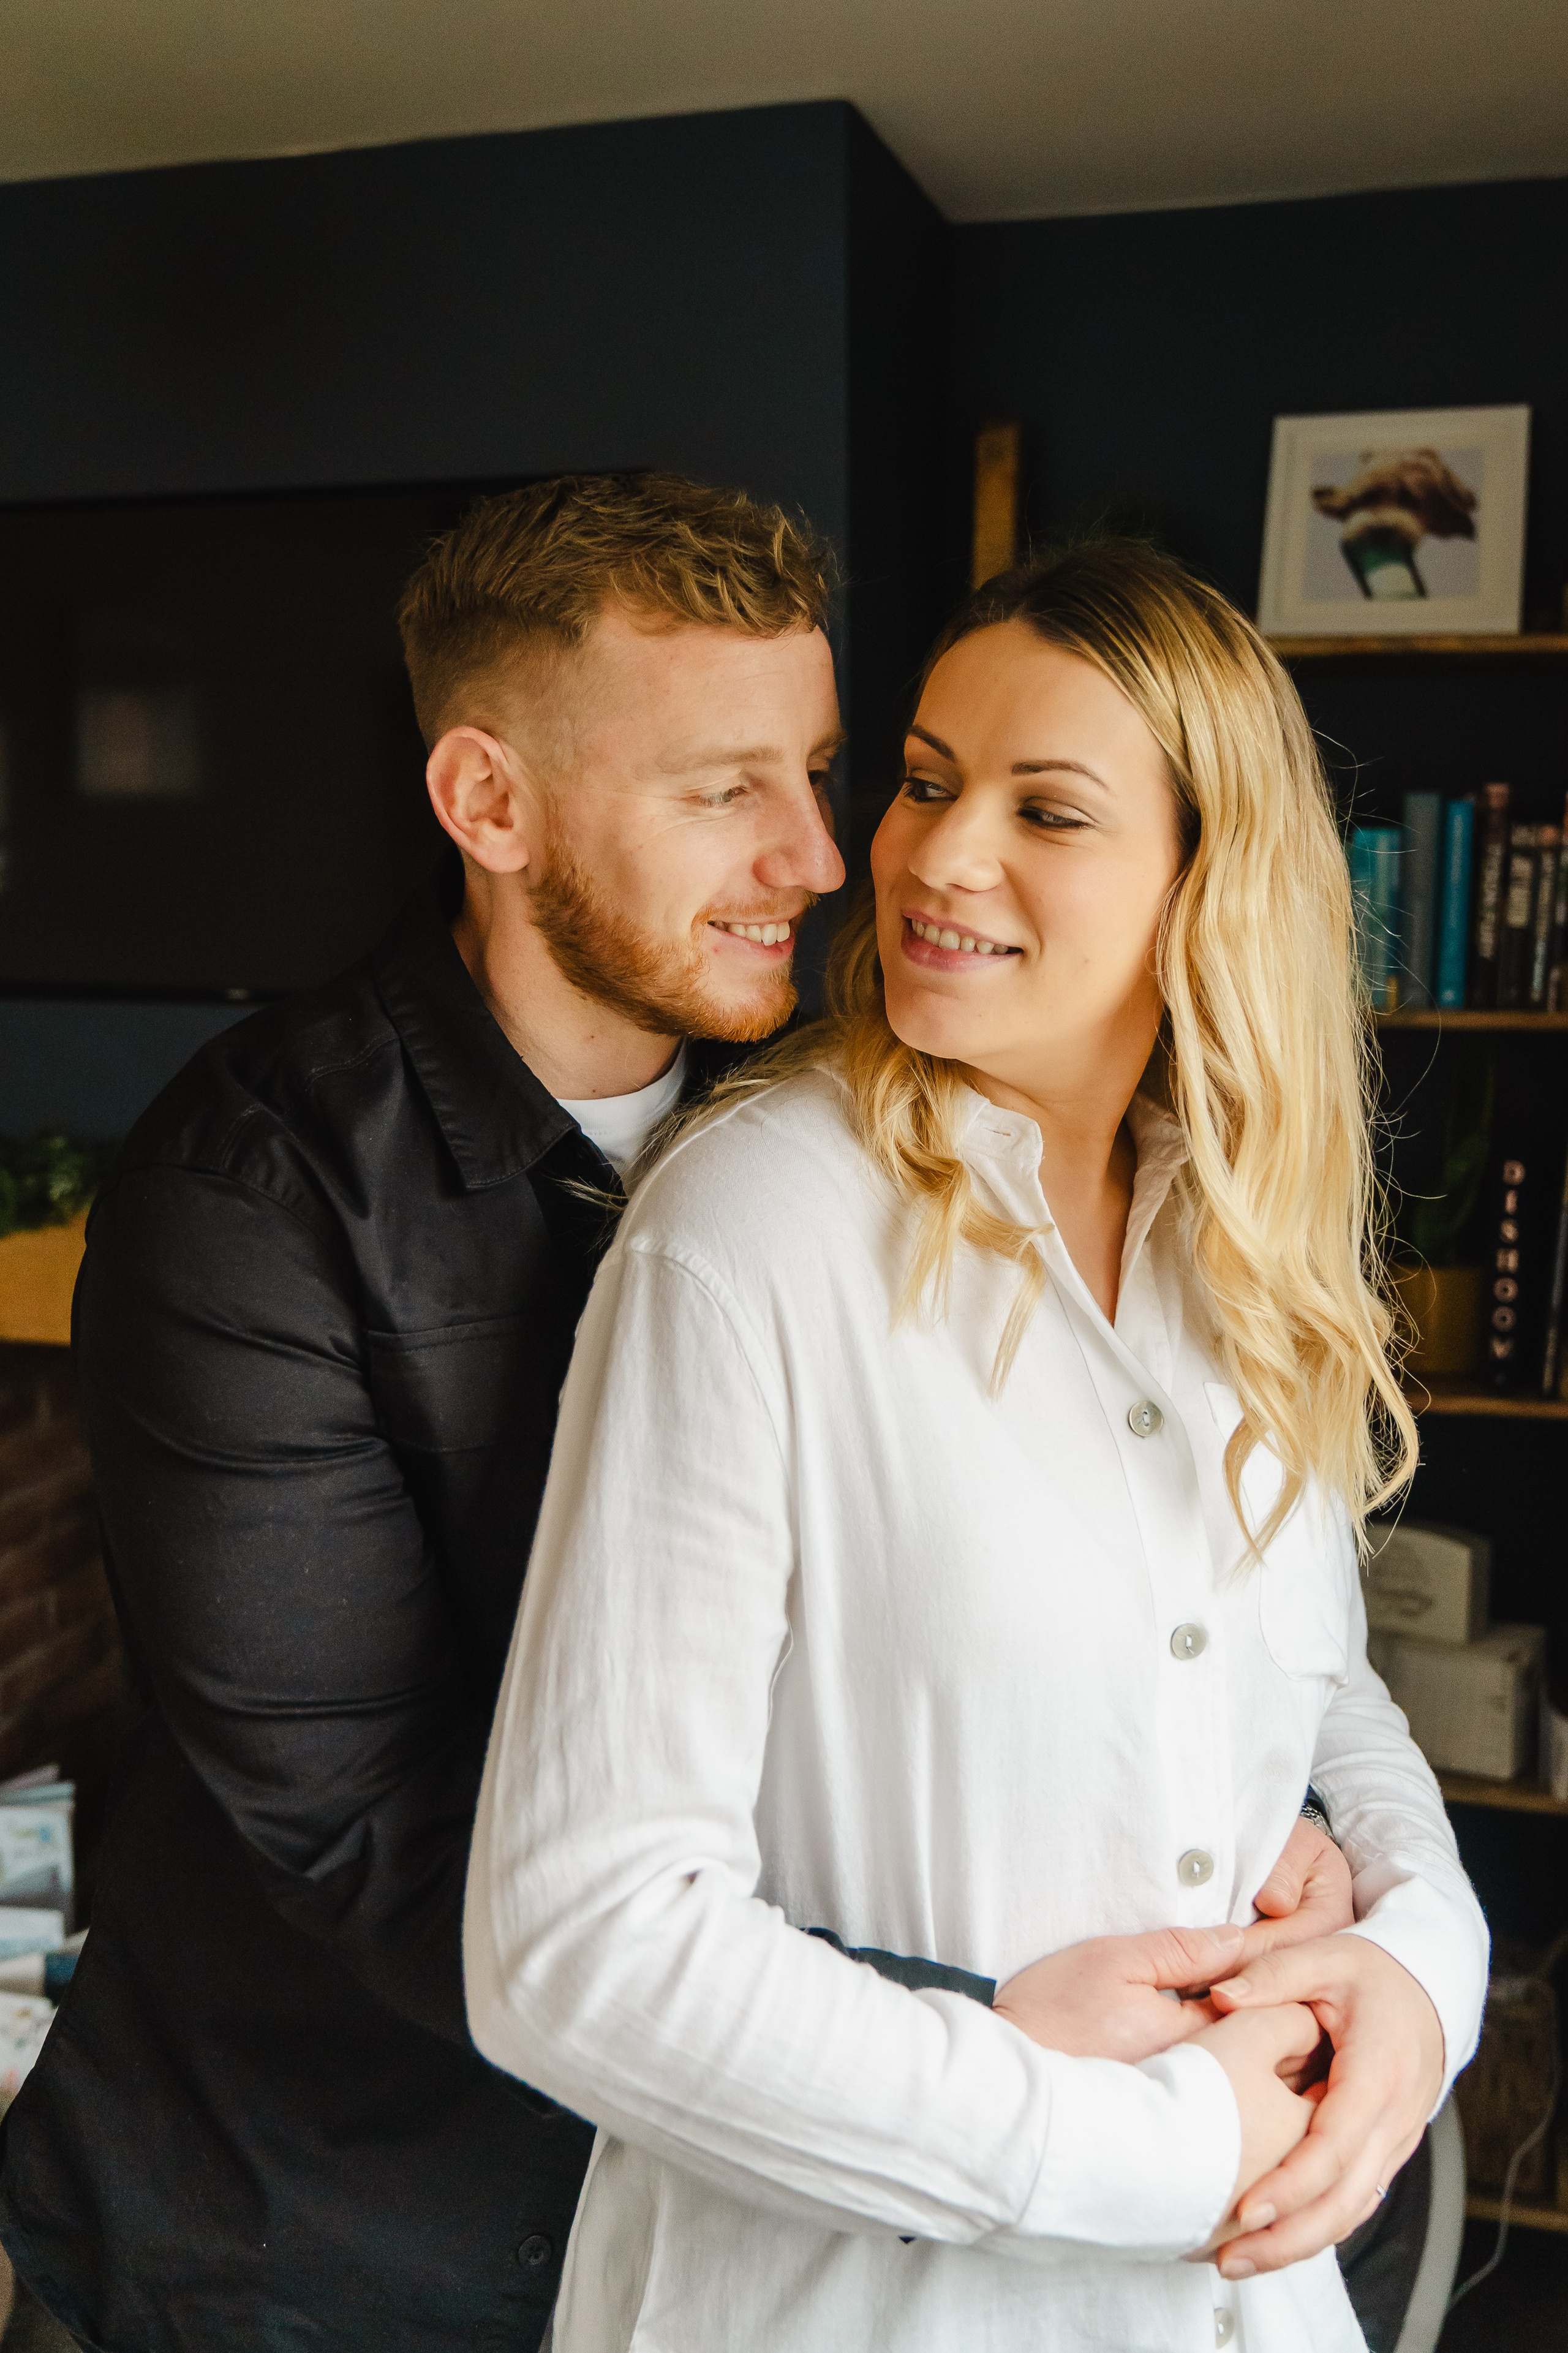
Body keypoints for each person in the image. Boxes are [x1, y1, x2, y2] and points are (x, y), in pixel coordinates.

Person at [0, 477, 1349, 2351]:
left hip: (730, 2206)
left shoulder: (839, 1115)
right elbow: (371, 1828)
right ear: (489, 804)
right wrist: (963, 2003)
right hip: (310, 2217)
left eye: (819, 770)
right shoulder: (250, 1197)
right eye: (724, 790)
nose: (820, 856)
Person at [464, 539, 1490, 2352]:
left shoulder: (1241, 1247)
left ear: (1209, 876)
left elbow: (1320, 1699)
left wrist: (1419, 1968)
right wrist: (1140, 2149)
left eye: (1050, 808)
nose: (936, 855)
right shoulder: (753, 1227)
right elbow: (577, 1947)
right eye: (928, 780)